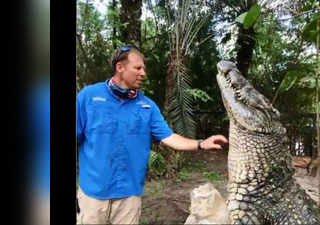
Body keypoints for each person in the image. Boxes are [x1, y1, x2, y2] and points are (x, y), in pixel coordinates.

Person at [76, 45, 228, 224]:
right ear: (120, 67)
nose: (143, 73)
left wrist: (201, 143)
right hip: (92, 194)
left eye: (144, 69)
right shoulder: (89, 97)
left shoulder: (147, 106)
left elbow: (169, 137)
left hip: (129, 196)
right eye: (138, 68)